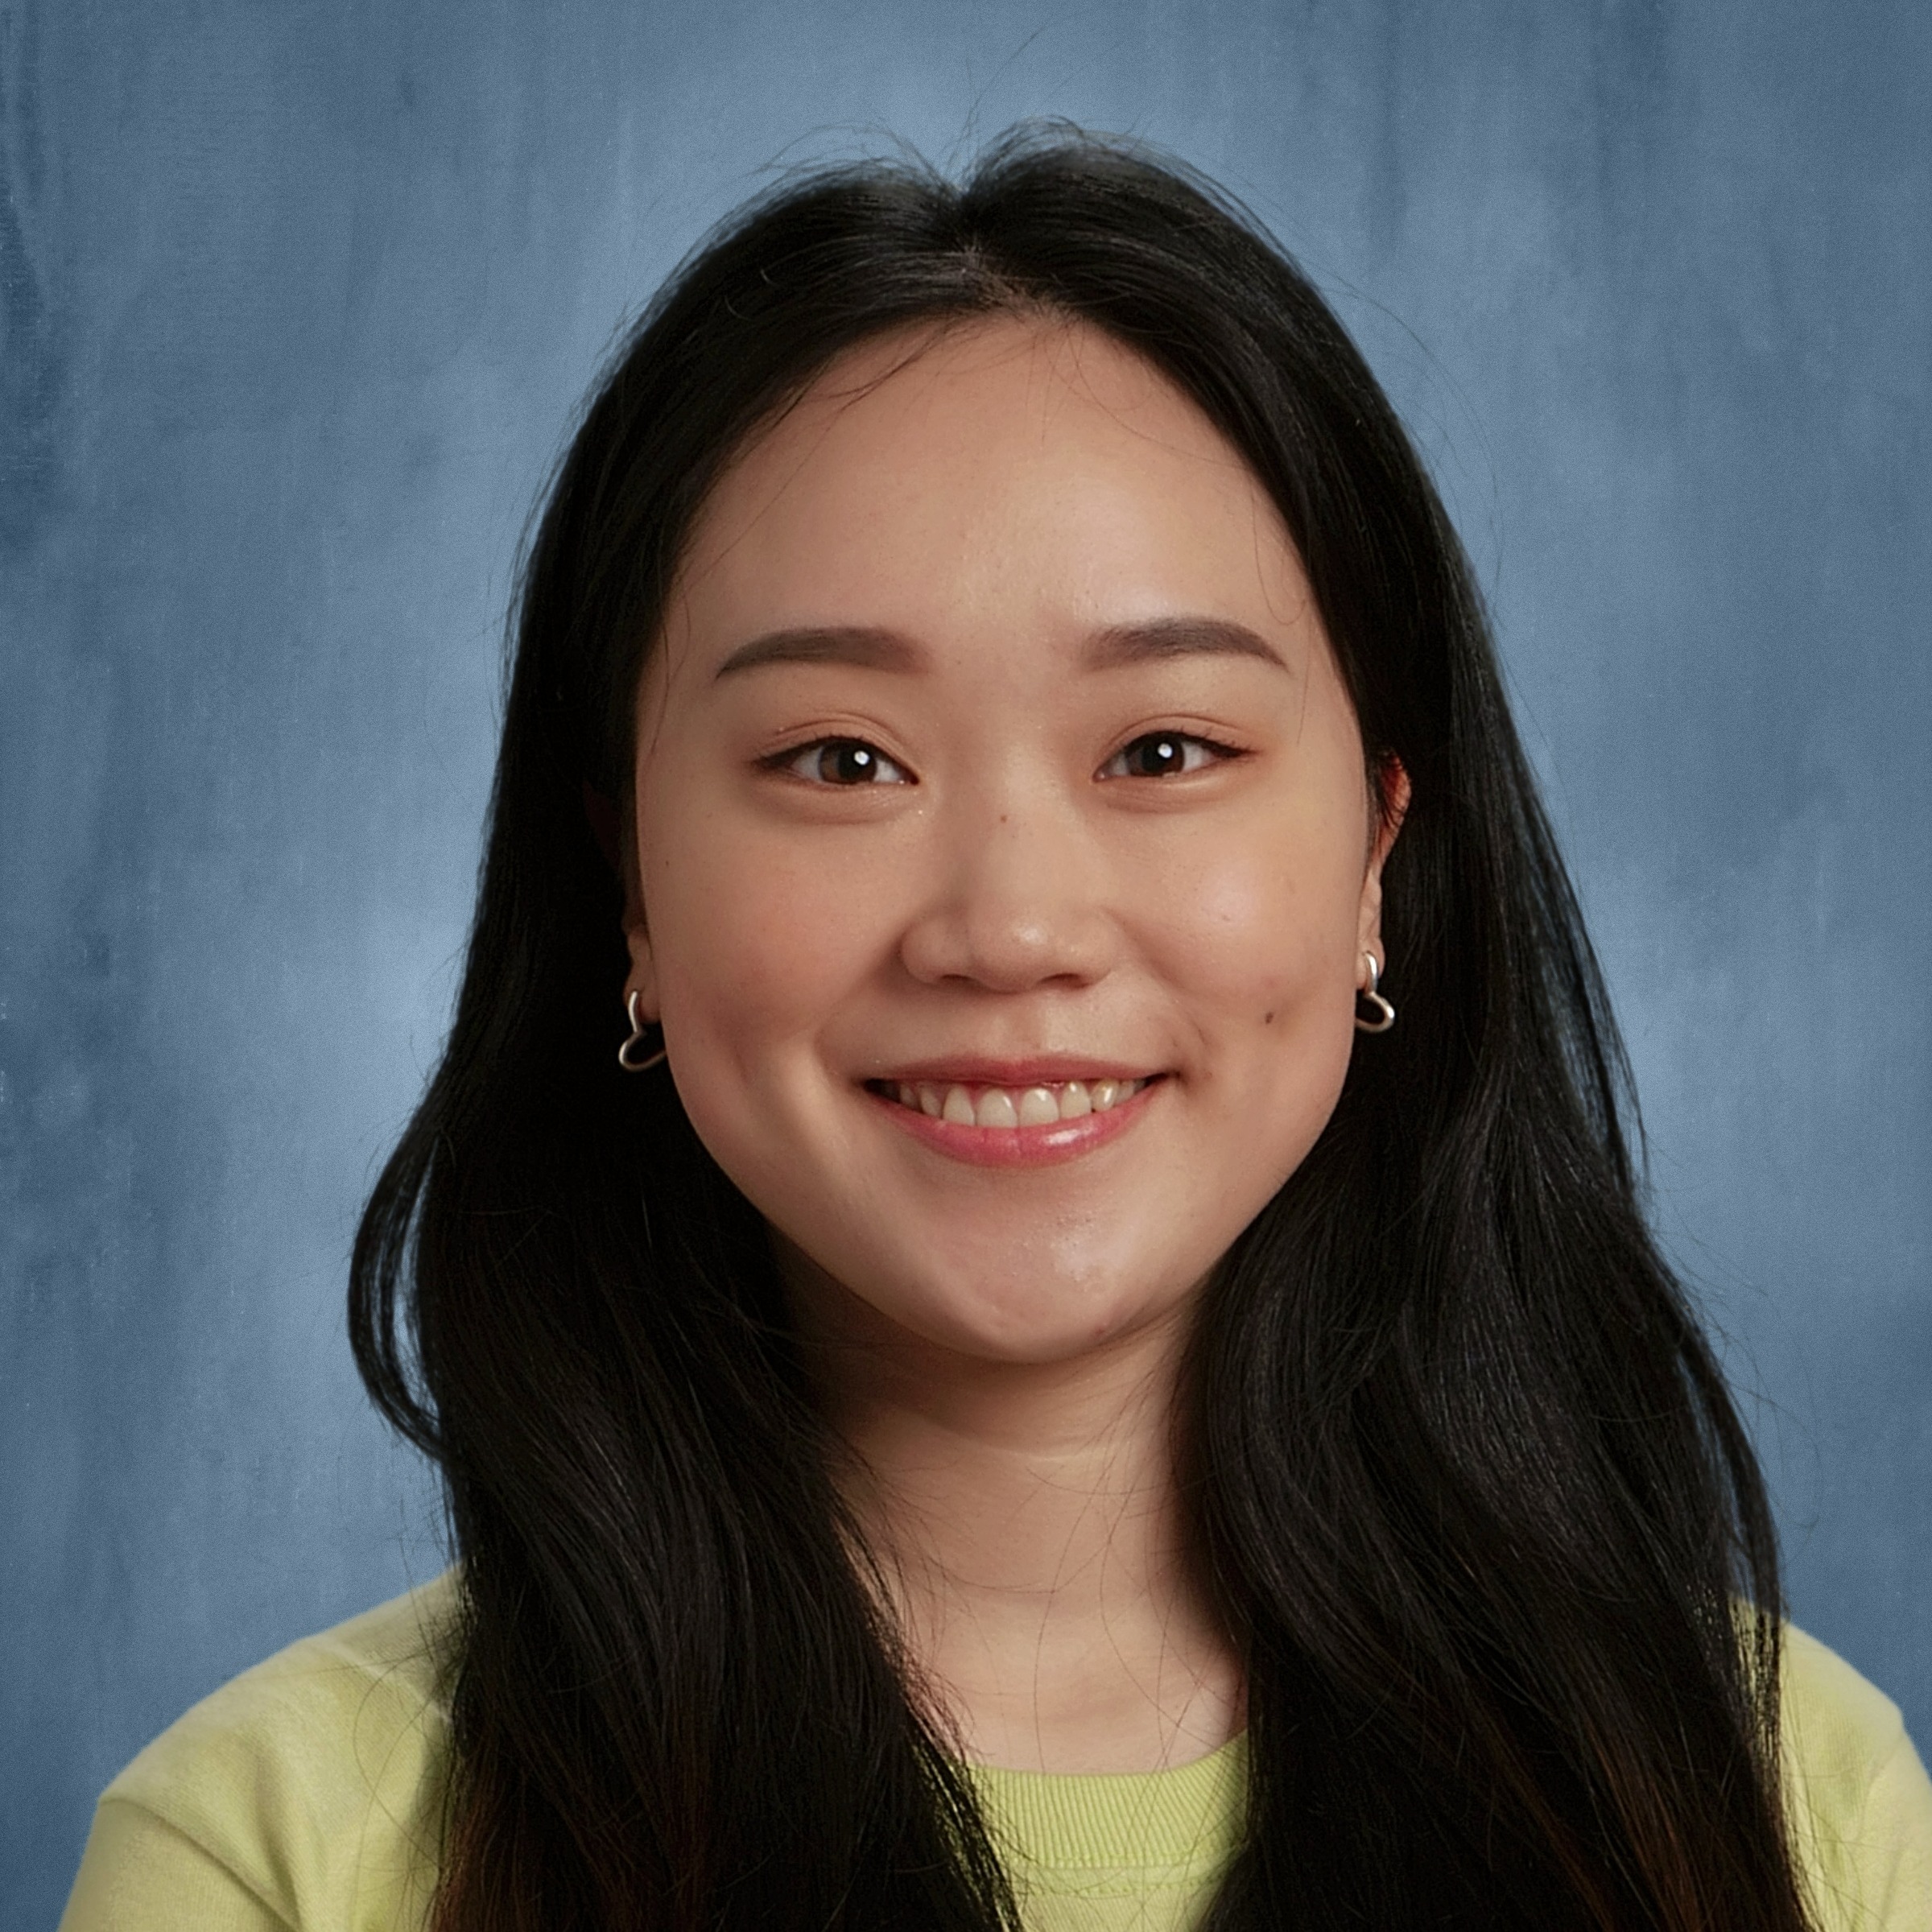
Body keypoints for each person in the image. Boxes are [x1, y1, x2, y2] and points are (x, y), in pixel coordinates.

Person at [60, 129, 1932, 1932]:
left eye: (1165, 750)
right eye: (841, 759)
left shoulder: (1784, 1811)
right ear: (628, 884)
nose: (1011, 929)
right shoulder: (274, 1857)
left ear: (1378, 851)